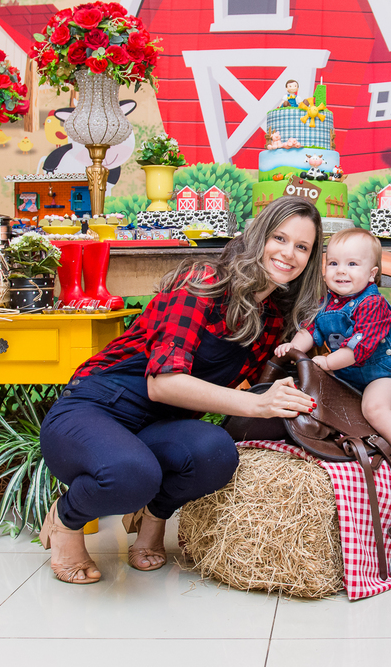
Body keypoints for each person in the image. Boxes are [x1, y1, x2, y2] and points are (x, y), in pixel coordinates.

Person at [38, 196, 324, 584]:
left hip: (160, 427)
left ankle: (153, 517)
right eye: (280, 238)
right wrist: (259, 405)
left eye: (302, 247)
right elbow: (163, 384)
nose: (288, 253)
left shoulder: (272, 317)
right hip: (96, 408)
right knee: (131, 475)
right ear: (258, 237)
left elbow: (258, 385)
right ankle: (66, 520)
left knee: (216, 453)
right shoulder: (203, 281)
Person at [277, 228, 391, 488]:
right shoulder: (325, 303)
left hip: (387, 375)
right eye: (334, 263)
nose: (341, 271)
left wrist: (326, 362)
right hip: (348, 376)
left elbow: (357, 349)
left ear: (371, 274)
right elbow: (310, 330)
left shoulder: (373, 304)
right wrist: (293, 347)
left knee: (375, 407)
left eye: (352, 264)